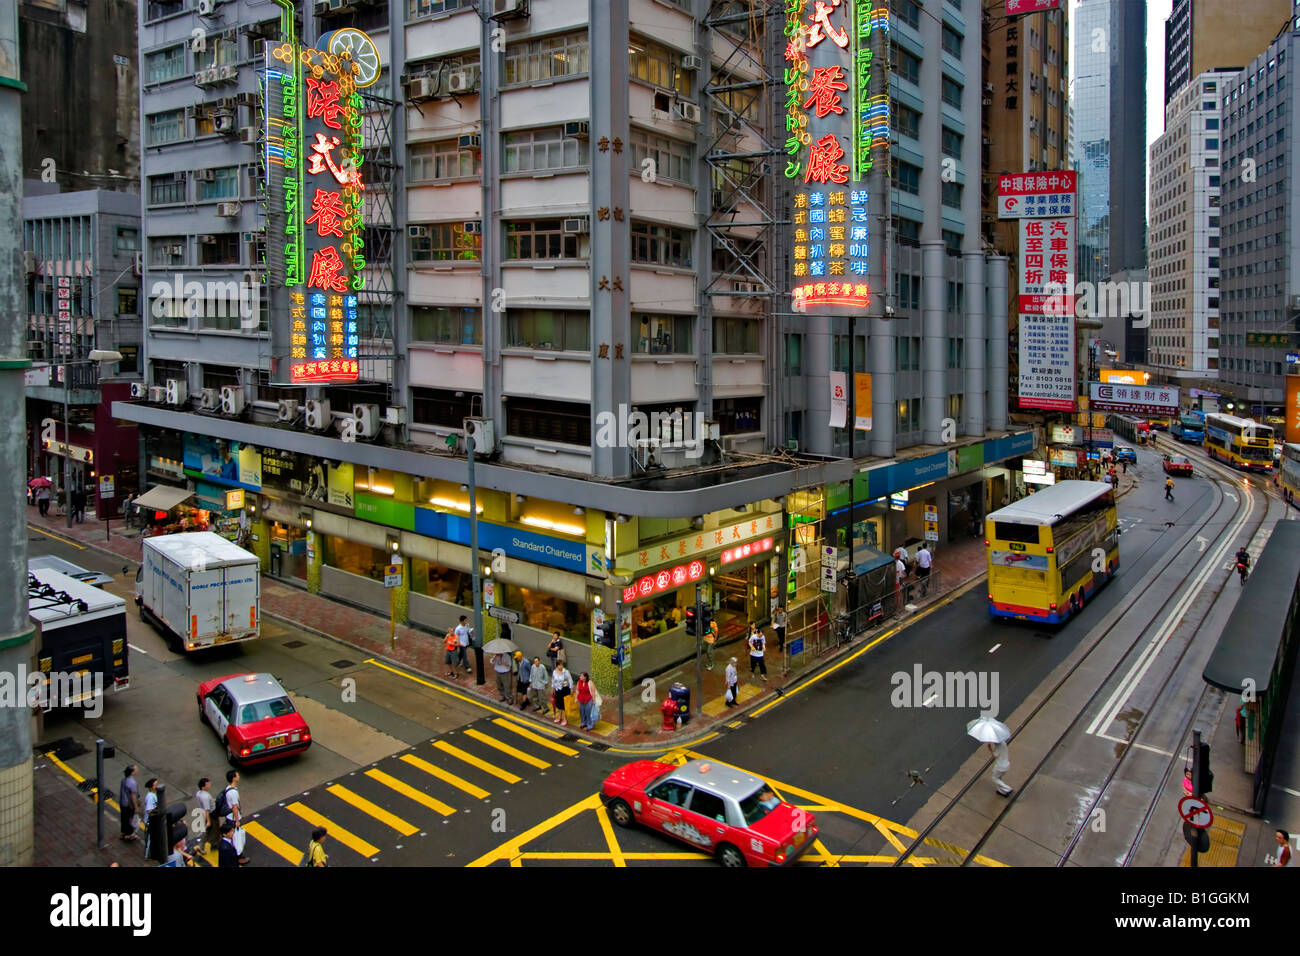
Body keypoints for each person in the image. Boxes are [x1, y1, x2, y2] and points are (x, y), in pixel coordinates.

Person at [221, 769, 250, 865]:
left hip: (230, 817)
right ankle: (239, 856)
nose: (239, 776)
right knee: (236, 837)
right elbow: (234, 807)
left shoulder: (228, 788)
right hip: (233, 818)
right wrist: (237, 820)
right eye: (237, 775)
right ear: (234, 778)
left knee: (234, 836)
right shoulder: (233, 793)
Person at [119, 764, 140, 843]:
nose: (137, 771)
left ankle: (123, 833)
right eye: (136, 769)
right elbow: (133, 796)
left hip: (122, 803)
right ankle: (129, 835)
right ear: (132, 772)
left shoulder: (124, 780)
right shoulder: (132, 783)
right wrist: (136, 807)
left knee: (124, 818)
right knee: (129, 819)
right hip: (128, 804)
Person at [195, 777, 216, 853]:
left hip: (203, 813)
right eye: (208, 784)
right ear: (203, 787)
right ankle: (204, 846)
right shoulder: (205, 797)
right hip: (209, 814)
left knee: (207, 830)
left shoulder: (199, 793)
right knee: (210, 830)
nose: (209, 785)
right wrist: (208, 821)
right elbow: (207, 810)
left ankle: (202, 846)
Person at [551, 661, 573, 727]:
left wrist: (571, 688)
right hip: (558, 690)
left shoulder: (565, 672)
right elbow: (553, 681)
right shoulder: (554, 672)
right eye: (560, 665)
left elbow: (570, 680)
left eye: (562, 665)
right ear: (557, 666)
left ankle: (564, 719)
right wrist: (553, 689)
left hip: (564, 690)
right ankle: (559, 717)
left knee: (564, 705)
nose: (561, 667)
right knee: (559, 704)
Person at [142, 777, 159, 857]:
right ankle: (147, 855)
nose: (157, 786)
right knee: (150, 838)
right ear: (151, 787)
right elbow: (149, 811)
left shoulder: (154, 794)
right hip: (150, 821)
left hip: (153, 820)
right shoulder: (150, 797)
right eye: (156, 785)